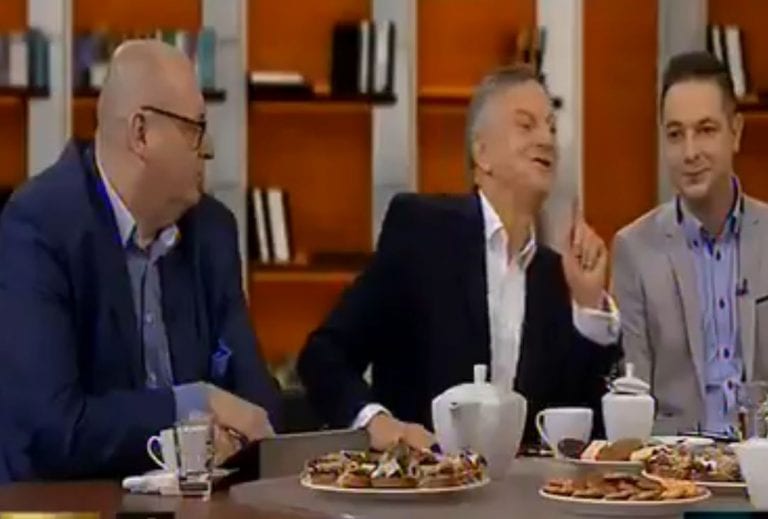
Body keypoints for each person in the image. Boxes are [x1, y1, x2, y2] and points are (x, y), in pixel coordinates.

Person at [298, 65, 621, 450]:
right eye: (526, 125)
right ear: (481, 153)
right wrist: (377, 423)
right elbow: (324, 356)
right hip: (422, 481)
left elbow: (586, 425)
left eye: (551, 127)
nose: (546, 140)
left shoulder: (555, 274)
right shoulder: (422, 233)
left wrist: (588, 306)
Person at [0, 40, 281, 481]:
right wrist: (192, 406)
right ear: (141, 134)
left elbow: (257, 406)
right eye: (195, 128)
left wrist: (232, 427)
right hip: (72, 503)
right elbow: (53, 429)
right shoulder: (38, 227)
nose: (207, 148)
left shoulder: (212, 230)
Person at [612, 51, 768, 435]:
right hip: (675, 462)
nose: (690, 152)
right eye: (675, 134)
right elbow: (633, 393)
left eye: (706, 130)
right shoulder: (634, 249)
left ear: (736, 132)